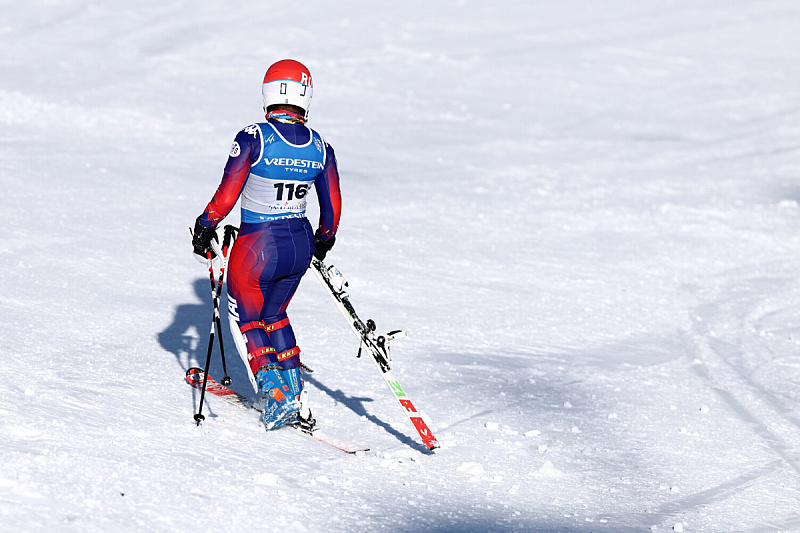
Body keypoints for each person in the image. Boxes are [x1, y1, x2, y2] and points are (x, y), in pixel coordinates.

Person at [191, 59, 342, 432]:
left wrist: (205, 224)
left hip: (258, 244)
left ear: (267, 93)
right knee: (276, 314)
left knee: (249, 318)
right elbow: (332, 206)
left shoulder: (254, 137)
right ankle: (295, 390)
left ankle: (275, 396)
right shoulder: (321, 146)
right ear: (306, 96)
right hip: (299, 244)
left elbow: (228, 194)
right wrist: (324, 240)